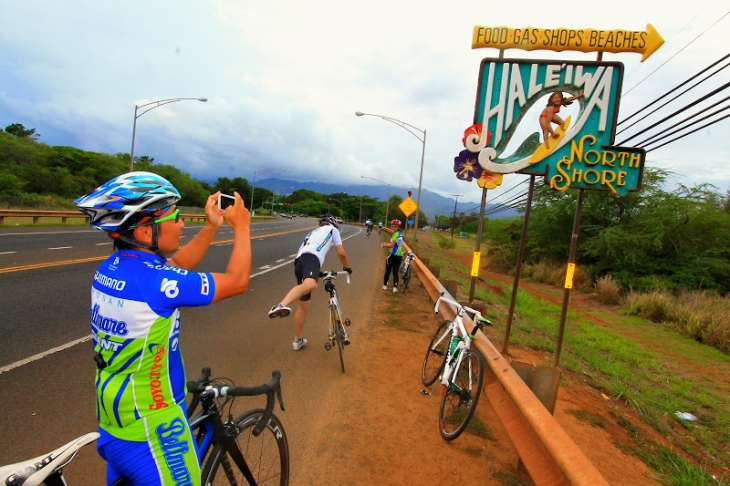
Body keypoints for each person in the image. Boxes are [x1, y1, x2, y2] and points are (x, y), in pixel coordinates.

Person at [74, 171, 252, 486]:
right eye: (176, 218)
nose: (183, 224)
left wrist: (211, 227)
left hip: (115, 426)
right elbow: (237, 282)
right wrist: (242, 228)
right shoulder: (156, 282)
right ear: (145, 233)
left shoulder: (112, 268)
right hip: (154, 434)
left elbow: (173, 271)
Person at [268, 214, 352, 350]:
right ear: (332, 223)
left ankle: (297, 341)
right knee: (310, 285)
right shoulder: (333, 230)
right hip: (312, 259)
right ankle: (280, 305)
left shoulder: (311, 234)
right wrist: (347, 268)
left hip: (300, 263)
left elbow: (299, 256)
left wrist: (315, 272)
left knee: (303, 307)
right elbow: (341, 253)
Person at [381, 219, 404, 293]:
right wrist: (387, 243)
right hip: (399, 255)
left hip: (392, 254)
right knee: (395, 271)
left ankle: (385, 285)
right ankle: (395, 288)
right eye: (392, 226)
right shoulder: (400, 234)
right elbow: (396, 244)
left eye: (395, 226)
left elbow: (391, 245)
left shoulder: (395, 234)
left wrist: (384, 245)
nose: (393, 227)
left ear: (398, 227)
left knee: (388, 270)